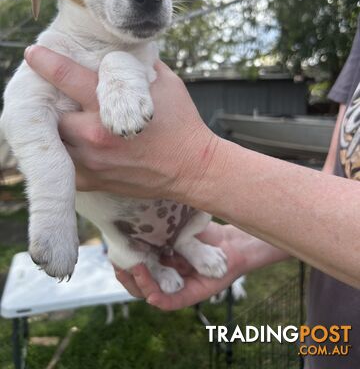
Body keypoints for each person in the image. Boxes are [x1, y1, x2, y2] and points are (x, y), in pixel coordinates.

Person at [24, 26, 360, 367]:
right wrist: (243, 246)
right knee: (132, 254)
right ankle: (181, 245)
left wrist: (194, 166)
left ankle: (185, 242)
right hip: (329, 343)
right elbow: (337, 173)